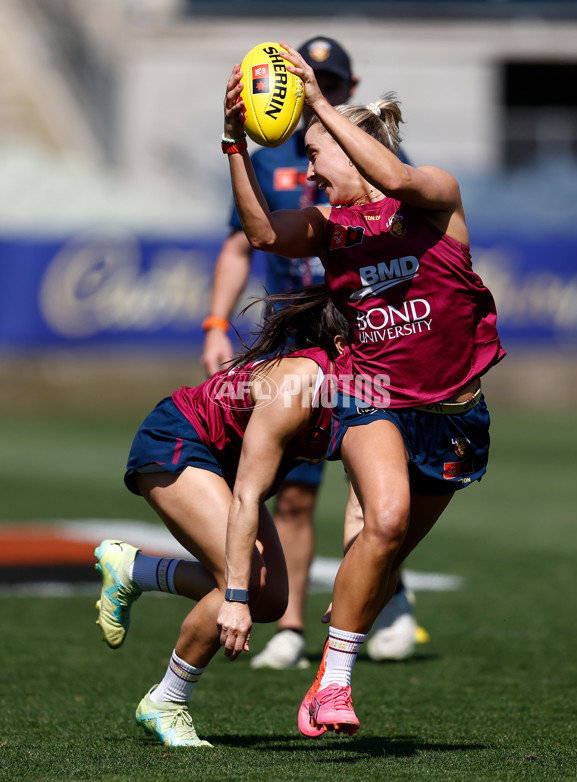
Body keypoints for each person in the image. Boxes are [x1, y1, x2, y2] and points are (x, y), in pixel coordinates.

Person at [217, 43, 505, 737]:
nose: (309, 173)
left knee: (382, 557)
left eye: (316, 157)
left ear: (354, 150)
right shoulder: (330, 231)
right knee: (385, 521)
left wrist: (317, 104)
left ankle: (329, 662)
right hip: (372, 395)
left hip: (456, 415)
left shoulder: (434, 197)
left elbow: (398, 176)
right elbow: (259, 233)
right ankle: (338, 686)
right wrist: (232, 143)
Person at [203, 35, 420, 669]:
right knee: (291, 493)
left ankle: (380, 605)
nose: (316, 172)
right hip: (300, 336)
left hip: (368, 340)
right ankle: (295, 626)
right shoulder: (281, 157)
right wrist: (217, 320)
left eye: (327, 80)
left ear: (346, 90)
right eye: (308, 77)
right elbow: (253, 238)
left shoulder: (383, 159)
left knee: (372, 496)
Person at [93, 287, 351, 747]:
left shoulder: (361, 389)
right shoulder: (301, 380)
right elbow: (248, 495)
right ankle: (167, 701)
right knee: (245, 585)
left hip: (223, 470)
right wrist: (232, 595)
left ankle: (136, 570)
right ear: (340, 344)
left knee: (271, 600)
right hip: (178, 441)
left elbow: (369, 493)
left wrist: (358, 577)